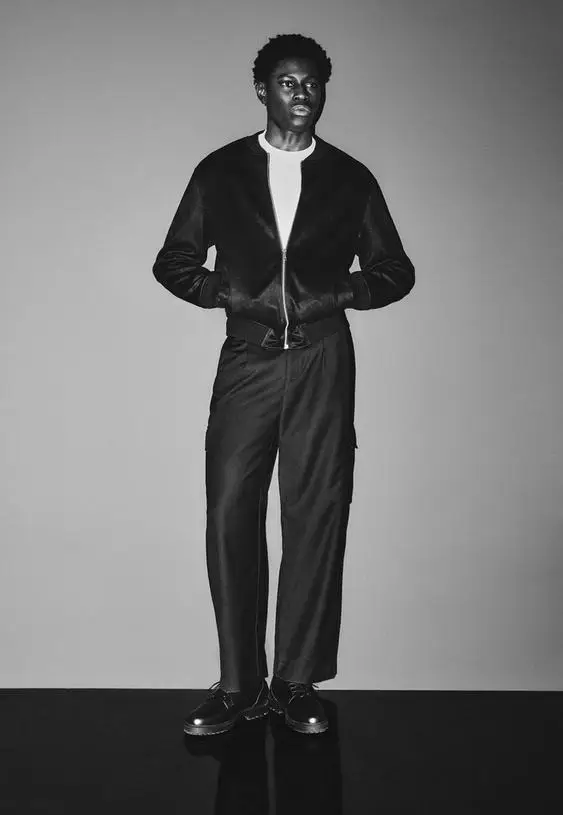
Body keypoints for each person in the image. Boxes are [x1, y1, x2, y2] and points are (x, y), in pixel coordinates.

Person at [152, 33, 415, 737]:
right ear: (262, 90)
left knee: (316, 511)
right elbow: (173, 260)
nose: (302, 94)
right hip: (249, 358)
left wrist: (336, 295)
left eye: (312, 83)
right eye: (287, 82)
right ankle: (239, 684)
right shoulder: (221, 171)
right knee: (230, 511)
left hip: (323, 360)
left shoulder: (350, 178)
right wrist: (227, 293)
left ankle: (296, 682)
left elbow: (394, 270)